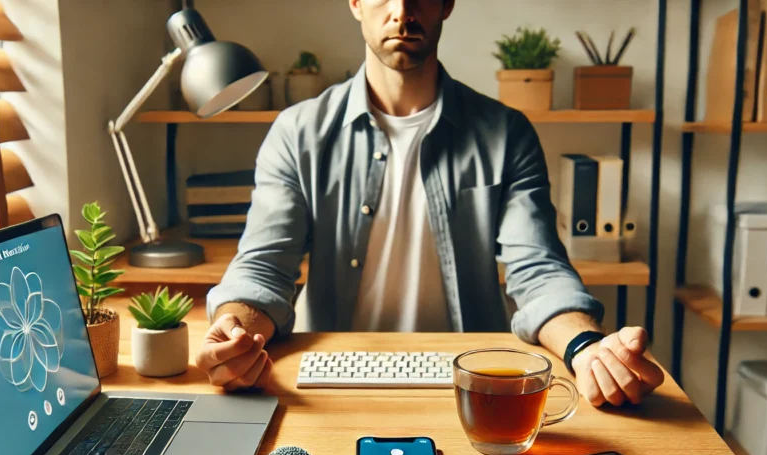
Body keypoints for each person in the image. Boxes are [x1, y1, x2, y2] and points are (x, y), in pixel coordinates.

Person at [195, 0, 664, 407]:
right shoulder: (298, 133)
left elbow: (538, 269)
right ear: (356, 4)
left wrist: (586, 347)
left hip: (472, 382)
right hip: (329, 381)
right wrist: (235, 331)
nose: (402, 12)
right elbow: (262, 266)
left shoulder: (506, 133)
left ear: (446, 4)